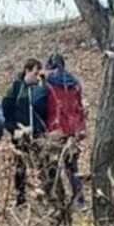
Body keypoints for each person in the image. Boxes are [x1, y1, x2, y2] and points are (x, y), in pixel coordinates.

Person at [41, 52, 87, 210]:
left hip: (55, 128)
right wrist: (81, 127)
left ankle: (54, 201)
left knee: (51, 165)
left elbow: (45, 106)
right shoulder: (74, 83)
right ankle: (79, 200)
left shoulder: (48, 83)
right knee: (72, 166)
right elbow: (79, 107)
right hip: (72, 128)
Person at [3, 58, 47, 206]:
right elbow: (6, 114)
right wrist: (14, 130)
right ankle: (20, 199)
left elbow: (44, 111)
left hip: (37, 133)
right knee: (20, 166)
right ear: (27, 71)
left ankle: (43, 195)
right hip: (20, 134)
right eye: (35, 73)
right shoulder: (15, 89)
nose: (36, 77)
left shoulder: (38, 89)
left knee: (42, 164)